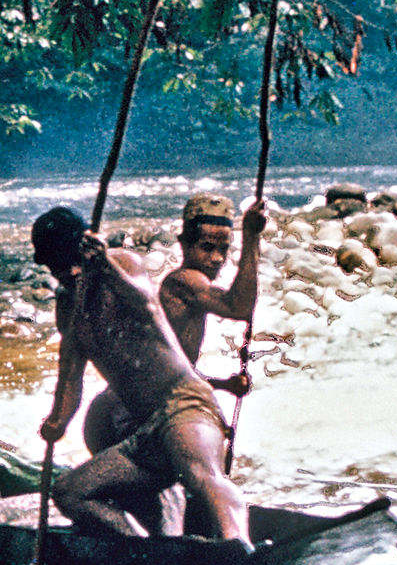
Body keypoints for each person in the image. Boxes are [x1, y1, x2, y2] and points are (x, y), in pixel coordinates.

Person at [31, 206, 251, 541]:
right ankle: (142, 551)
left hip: (183, 405)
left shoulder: (119, 263)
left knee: (204, 476)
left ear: (85, 250)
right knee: (69, 492)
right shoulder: (68, 306)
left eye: (73, 261)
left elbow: (145, 304)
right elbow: (70, 375)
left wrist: (103, 264)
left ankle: (238, 547)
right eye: (57, 267)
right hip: (142, 433)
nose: (68, 272)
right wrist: (56, 422)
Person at [82, 192, 267, 458]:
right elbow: (238, 307)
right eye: (206, 247)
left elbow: (171, 374)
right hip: (119, 416)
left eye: (223, 249)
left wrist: (222, 385)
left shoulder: (191, 286)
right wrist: (251, 238)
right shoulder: (183, 281)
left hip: (116, 412)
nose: (216, 258)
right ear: (183, 244)